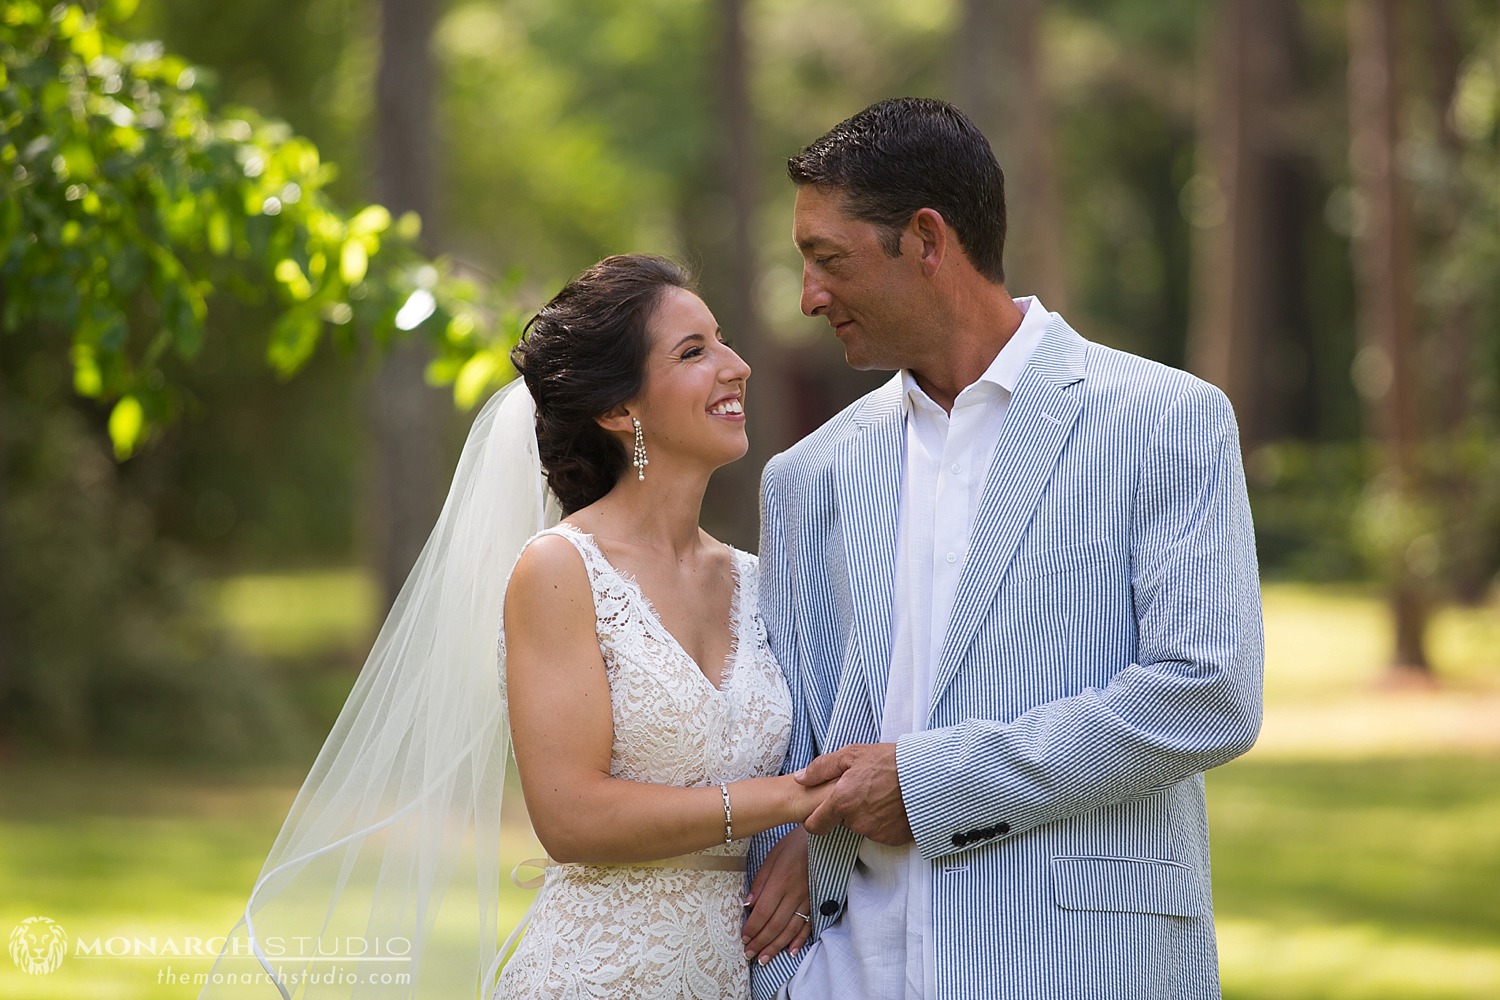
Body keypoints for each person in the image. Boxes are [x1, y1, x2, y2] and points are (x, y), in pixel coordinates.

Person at [748, 98, 1264, 1000]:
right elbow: (789, 741)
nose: (808, 297)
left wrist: (931, 782)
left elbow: (1209, 691)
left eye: (829, 260)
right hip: (841, 970)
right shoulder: (807, 475)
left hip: (1076, 963)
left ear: (927, 239)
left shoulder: (1166, 420)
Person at [203, 255, 816, 1000]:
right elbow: (571, 816)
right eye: (694, 352)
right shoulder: (561, 570)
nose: (738, 366)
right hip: (597, 976)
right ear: (620, 411)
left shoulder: (758, 581)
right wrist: (790, 799)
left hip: (736, 975)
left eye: (721, 341)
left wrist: (809, 837)